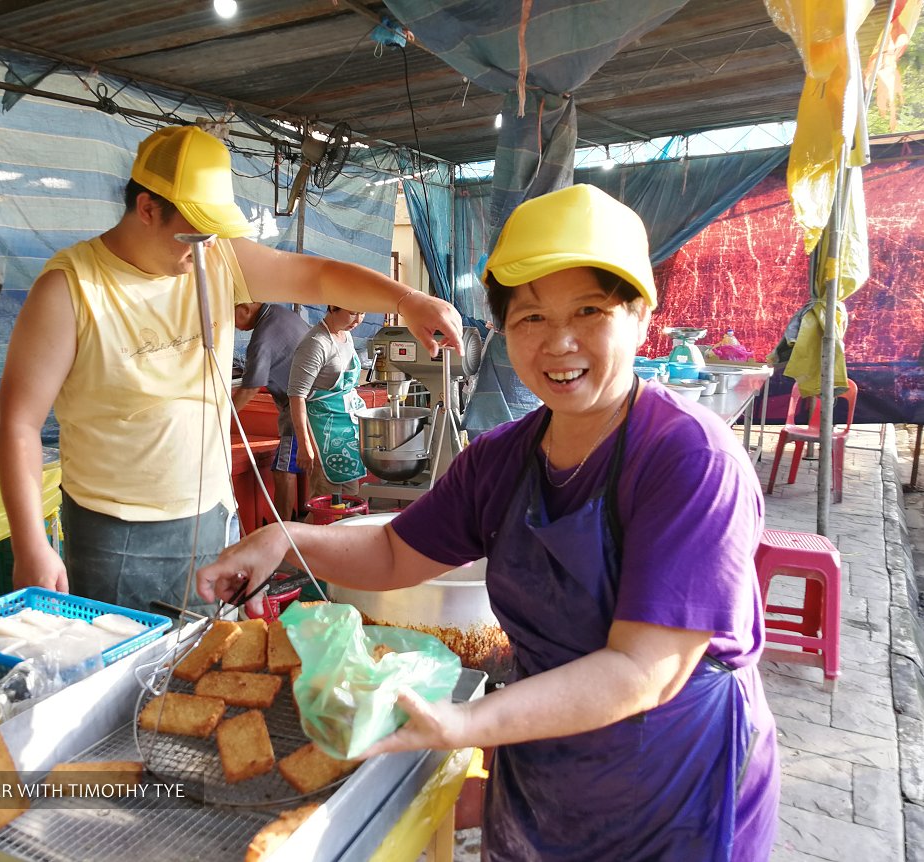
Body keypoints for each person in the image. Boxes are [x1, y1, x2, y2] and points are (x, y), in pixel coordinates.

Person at [198, 184, 779, 860]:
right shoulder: (503, 459)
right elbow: (392, 555)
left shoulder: (688, 460)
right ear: (503, 330)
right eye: (530, 317)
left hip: (674, 786)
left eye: (589, 310)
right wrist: (284, 539)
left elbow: (642, 671)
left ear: (641, 316)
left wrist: (469, 721)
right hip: (544, 763)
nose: (559, 343)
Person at [0, 125, 462, 614]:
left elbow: (317, 275)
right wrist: (31, 544)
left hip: (212, 517)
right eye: (193, 232)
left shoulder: (217, 256)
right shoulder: (70, 289)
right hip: (115, 531)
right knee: (131, 677)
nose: (205, 246)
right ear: (148, 209)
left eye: (214, 231)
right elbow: (18, 423)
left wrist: (406, 299)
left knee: (212, 663)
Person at [232, 301, 311, 521]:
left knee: (283, 469)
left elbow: (250, 388)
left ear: (246, 307)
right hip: (312, 399)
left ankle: (284, 530)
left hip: (302, 405)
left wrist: (222, 418)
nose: (235, 326)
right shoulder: (281, 313)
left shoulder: (262, 338)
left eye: (233, 317)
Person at [288, 305, 368, 506]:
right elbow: (296, 395)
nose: (357, 319)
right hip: (322, 433)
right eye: (352, 311)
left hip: (347, 432)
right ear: (333, 306)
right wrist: (304, 444)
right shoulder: (316, 343)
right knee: (326, 506)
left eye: (362, 312)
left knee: (350, 501)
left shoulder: (345, 336)